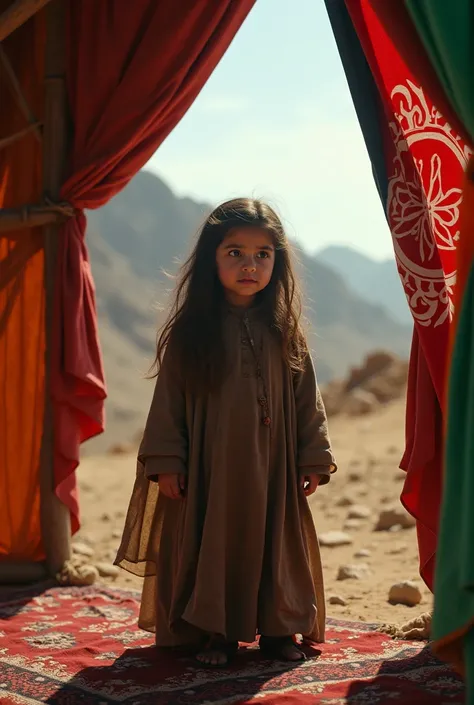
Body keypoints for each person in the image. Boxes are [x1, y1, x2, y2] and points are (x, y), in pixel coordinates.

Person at [115, 198, 336, 667]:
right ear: (211, 259)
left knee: (276, 543)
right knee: (211, 544)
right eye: (234, 252)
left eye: (262, 254)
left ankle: (279, 630)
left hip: (274, 469)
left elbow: (307, 400)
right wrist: (168, 461)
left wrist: (313, 457)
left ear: (277, 263)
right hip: (210, 468)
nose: (249, 265)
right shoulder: (191, 334)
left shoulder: (285, 332)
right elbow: (169, 402)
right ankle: (215, 633)